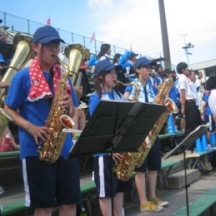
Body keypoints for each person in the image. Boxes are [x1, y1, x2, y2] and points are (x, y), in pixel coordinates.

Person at [4, 25, 80, 216]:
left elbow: (72, 114)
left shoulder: (64, 76)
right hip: (36, 148)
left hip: (64, 148)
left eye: (56, 44)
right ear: (36, 47)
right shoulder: (22, 76)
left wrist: (70, 104)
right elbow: (8, 108)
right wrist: (30, 127)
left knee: (70, 204)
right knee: (43, 207)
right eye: (49, 45)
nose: (54, 49)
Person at [124, 57, 168, 213]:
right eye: (146, 67)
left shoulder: (150, 85)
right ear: (137, 70)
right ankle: (143, 202)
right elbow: (126, 101)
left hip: (152, 129)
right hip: (139, 131)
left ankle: (152, 196)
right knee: (141, 168)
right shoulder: (132, 85)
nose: (149, 70)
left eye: (150, 67)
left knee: (154, 165)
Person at [88, 59, 132, 216]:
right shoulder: (95, 99)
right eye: (111, 73)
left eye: (115, 73)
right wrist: (110, 150)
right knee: (106, 193)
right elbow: (96, 130)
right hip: (103, 153)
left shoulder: (119, 96)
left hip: (120, 151)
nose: (115, 76)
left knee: (120, 189)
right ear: (101, 76)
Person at [176, 62, 201, 151]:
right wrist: (183, 107)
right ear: (183, 70)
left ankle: (194, 146)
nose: (188, 70)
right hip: (188, 104)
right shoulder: (182, 79)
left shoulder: (186, 79)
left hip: (193, 104)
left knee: (197, 125)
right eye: (187, 68)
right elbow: (182, 94)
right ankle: (188, 147)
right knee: (191, 126)